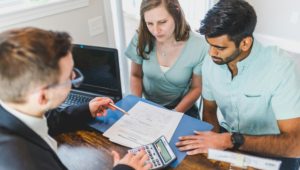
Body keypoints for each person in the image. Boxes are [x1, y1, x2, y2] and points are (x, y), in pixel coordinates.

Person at [0, 27, 151, 170]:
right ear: (43, 96)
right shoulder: (23, 162)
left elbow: (50, 120)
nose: (74, 79)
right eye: (69, 77)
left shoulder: (19, 106)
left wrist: (86, 110)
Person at [176, 0, 300, 169]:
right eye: (209, 45)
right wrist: (213, 149)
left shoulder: (281, 68)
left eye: (219, 47)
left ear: (245, 43)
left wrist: (230, 140)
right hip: (228, 143)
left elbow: (295, 145)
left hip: (274, 150)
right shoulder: (211, 61)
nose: (212, 53)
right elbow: (210, 110)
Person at [125, 0, 208, 118]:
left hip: (182, 108)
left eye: (162, 22)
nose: (155, 31)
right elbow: (135, 75)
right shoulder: (141, 38)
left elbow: (196, 88)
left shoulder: (200, 46)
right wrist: (138, 104)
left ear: (176, 13)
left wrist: (173, 114)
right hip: (147, 105)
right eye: (149, 23)